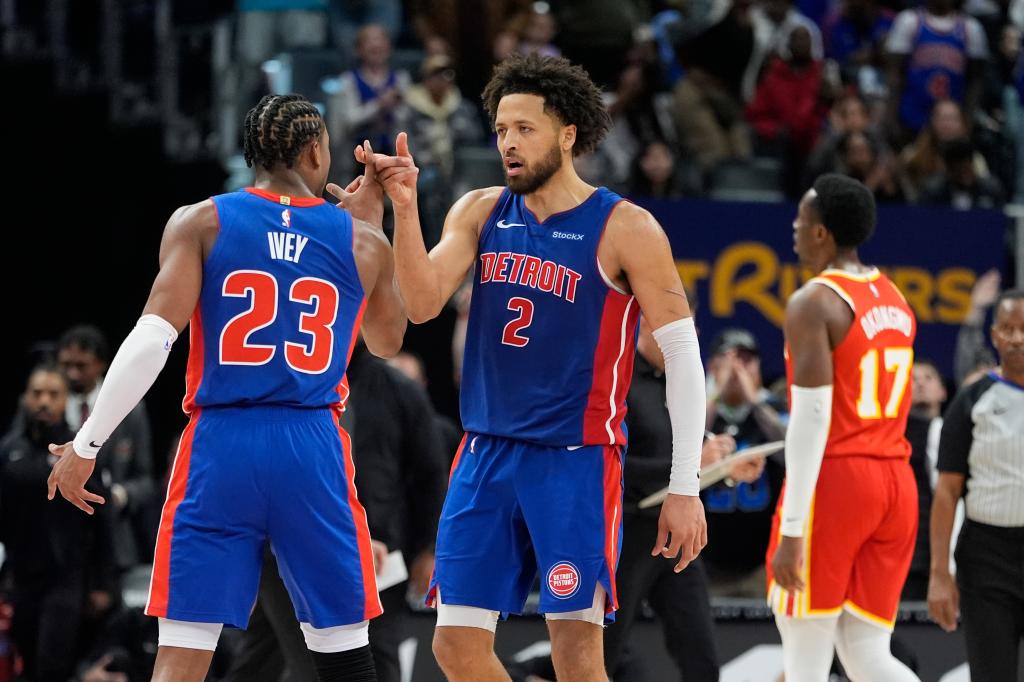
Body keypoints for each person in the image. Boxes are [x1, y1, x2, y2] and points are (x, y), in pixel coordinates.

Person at [46, 93, 407, 682]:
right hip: (310, 445)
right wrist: (372, 226)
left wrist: (88, 444)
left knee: (183, 655)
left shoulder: (202, 221)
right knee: (346, 652)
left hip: (221, 442)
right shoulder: (360, 240)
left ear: (254, 155)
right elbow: (388, 341)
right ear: (317, 150)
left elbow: (151, 338)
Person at [372, 52, 709, 682]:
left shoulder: (626, 227)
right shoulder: (480, 209)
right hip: (485, 453)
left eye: (524, 129)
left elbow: (685, 361)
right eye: (501, 130)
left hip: (574, 461)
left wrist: (684, 485)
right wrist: (407, 208)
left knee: (578, 658)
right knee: (455, 648)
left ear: (567, 134)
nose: (508, 144)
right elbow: (419, 304)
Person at [767, 174, 920, 682]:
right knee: (866, 656)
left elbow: (810, 422)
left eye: (802, 217)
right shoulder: (894, 297)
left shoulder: (814, 302)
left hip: (837, 484)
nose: (794, 224)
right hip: (895, 483)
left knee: (804, 665)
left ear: (820, 233)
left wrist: (792, 529)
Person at [928, 289, 1024, 681]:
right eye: (1007, 328)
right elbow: (947, 493)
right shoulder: (971, 401)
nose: (1017, 337)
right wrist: (939, 574)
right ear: (995, 335)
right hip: (987, 560)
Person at [1, 364, 118, 682]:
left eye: (53, 394)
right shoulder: (9, 450)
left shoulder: (80, 452)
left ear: (65, 400)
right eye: (37, 393)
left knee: (53, 664)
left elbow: (102, 517)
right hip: (21, 578)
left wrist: (103, 583)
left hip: (66, 579)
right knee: (23, 662)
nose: (43, 401)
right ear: (25, 397)